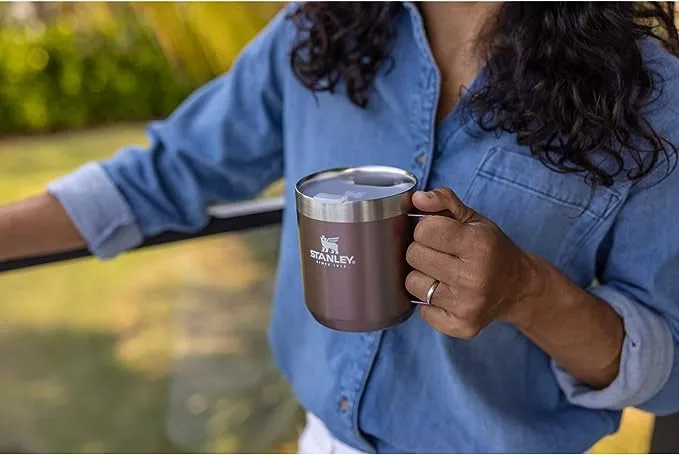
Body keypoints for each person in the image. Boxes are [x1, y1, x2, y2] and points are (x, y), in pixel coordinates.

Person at [2, 2, 679, 453]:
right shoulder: (312, 29)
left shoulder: (652, 95)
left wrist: (527, 292)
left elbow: (666, 371)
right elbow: (164, 174)